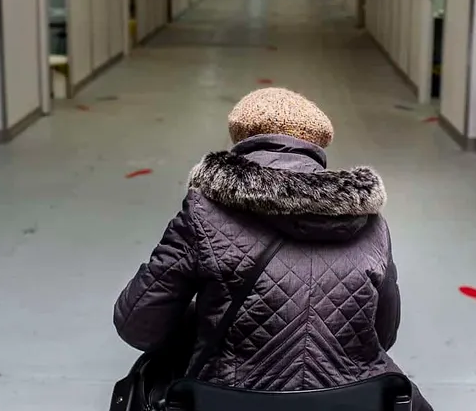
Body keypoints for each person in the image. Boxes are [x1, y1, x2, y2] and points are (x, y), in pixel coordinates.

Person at [113, 88, 432, 410]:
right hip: (348, 403)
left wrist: (205, 315)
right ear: (317, 145)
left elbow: (138, 327)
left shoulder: (203, 212)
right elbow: (383, 335)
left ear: (240, 138)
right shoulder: (370, 222)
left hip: (226, 400)